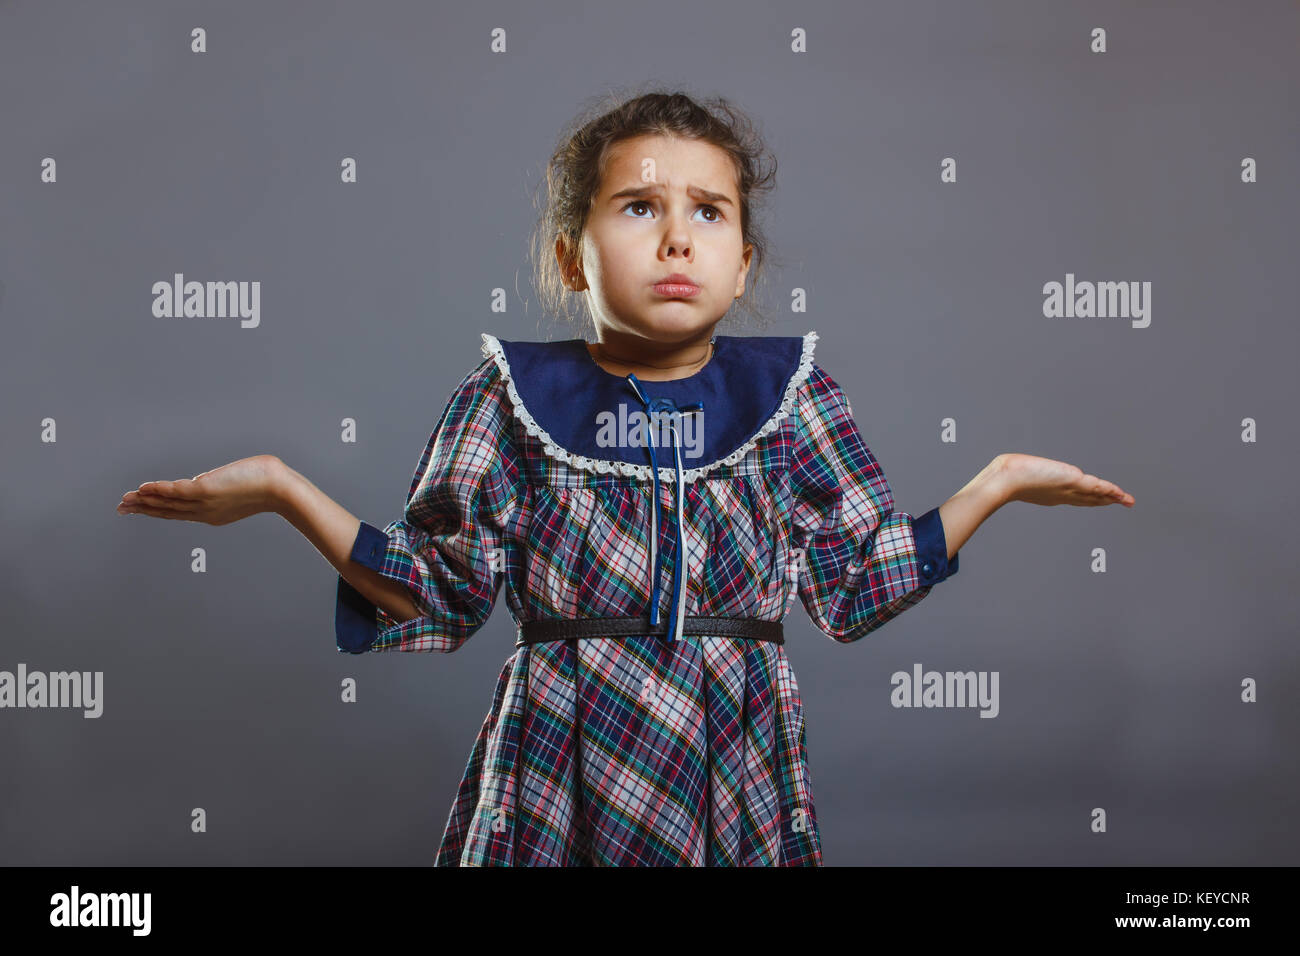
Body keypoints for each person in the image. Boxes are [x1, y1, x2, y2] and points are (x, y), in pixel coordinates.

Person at [116, 90, 1134, 866]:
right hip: (559, 763)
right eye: (640, 206)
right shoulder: (509, 397)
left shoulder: (793, 397)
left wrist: (995, 483)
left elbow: (855, 588)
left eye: (710, 212)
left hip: (732, 763)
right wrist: (286, 491)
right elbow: (438, 592)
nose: (677, 236)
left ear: (743, 262)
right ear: (572, 258)